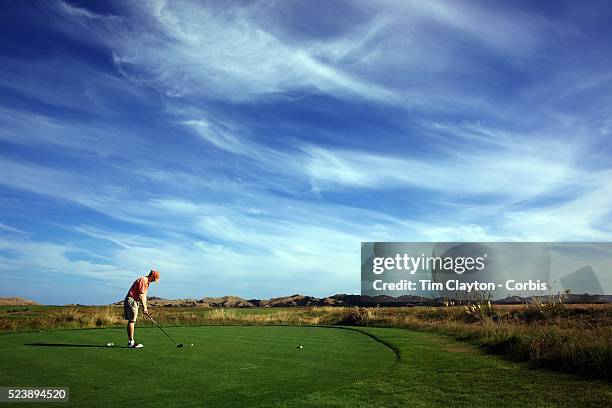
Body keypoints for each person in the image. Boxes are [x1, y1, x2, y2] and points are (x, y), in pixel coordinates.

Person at [124, 269, 160, 348]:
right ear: (151, 276)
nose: (154, 281)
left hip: (134, 301)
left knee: (132, 320)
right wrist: (145, 308)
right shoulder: (143, 280)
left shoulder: (147, 282)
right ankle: (131, 342)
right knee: (132, 320)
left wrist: (144, 307)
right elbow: (141, 295)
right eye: (154, 279)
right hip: (132, 300)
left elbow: (144, 296)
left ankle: (131, 341)